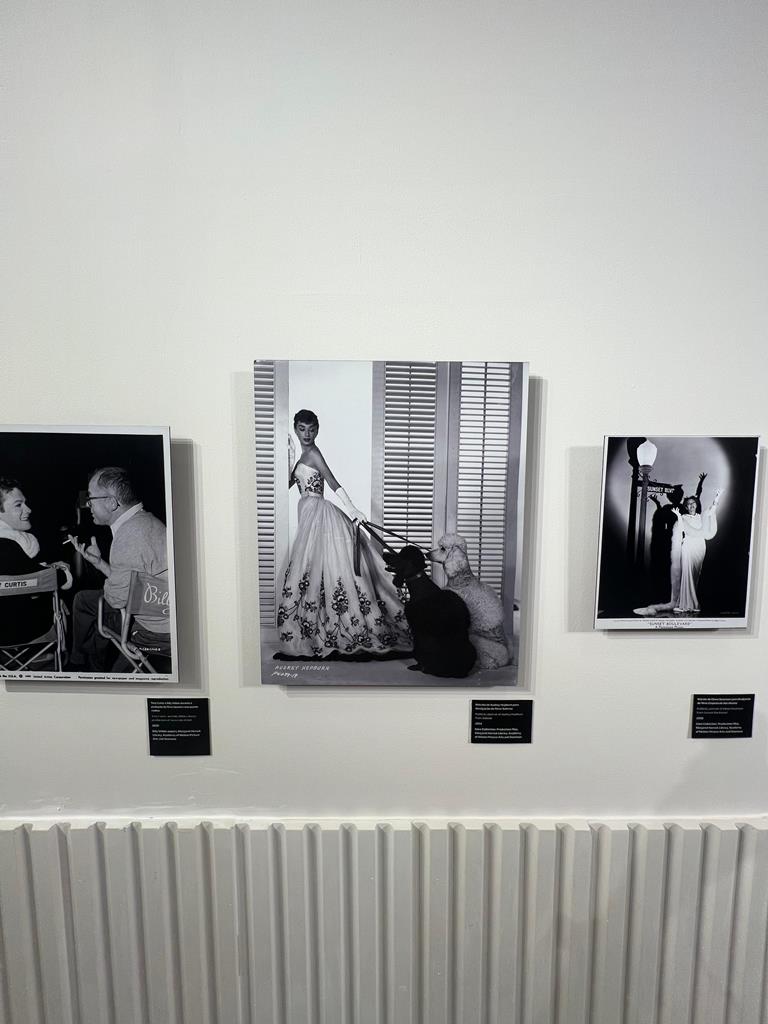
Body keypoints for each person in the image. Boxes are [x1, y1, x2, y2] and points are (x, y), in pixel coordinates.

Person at [276, 409, 411, 658]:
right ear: (295, 429)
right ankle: (317, 625)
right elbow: (285, 485)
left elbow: (332, 481)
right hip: (307, 511)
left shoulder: (314, 453)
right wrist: (290, 457)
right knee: (315, 568)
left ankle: (342, 625)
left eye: (311, 429)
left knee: (324, 566)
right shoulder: (302, 454)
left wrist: (352, 509)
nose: (307, 434)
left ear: (317, 430)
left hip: (318, 512)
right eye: (302, 429)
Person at [68, 467, 168, 670]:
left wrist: (109, 583)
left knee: (95, 611)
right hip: (164, 615)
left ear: (111, 502)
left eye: (91, 498)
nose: (88, 505)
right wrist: (100, 563)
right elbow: (134, 582)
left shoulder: (128, 536)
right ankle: (85, 661)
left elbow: (116, 599)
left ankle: (82, 665)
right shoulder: (146, 521)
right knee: (90, 607)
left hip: (156, 632)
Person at [0, 477, 71, 649]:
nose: (28, 509)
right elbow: (56, 579)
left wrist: (46, 567)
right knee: (62, 604)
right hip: (18, 631)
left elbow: (22, 570)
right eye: (18, 505)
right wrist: (62, 570)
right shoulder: (6, 546)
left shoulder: (11, 547)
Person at [672, 487, 723, 614]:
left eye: (693, 503)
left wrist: (717, 497)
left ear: (696, 505)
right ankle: (685, 604)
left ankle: (693, 603)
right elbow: (682, 529)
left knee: (695, 575)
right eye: (688, 504)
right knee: (687, 574)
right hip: (688, 546)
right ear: (686, 507)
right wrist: (678, 516)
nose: (691, 506)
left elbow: (712, 510)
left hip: (700, 547)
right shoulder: (683, 517)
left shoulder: (702, 516)